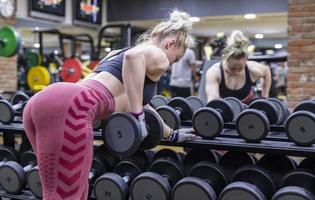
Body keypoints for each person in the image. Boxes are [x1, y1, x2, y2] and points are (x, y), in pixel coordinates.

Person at [23, 10, 197, 200]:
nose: (171, 65)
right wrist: (137, 116)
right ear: (170, 44)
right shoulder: (157, 55)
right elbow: (133, 57)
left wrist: (171, 134)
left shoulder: (116, 54)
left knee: (62, 192)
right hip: (73, 107)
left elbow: (139, 101)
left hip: (43, 101)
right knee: (67, 195)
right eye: (176, 59)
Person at [205, 30, 271, 104]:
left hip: (247, 110)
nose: (236, 72)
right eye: (232, 68)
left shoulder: (252, 69)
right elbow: (213, 101)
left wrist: (265, 98)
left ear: (246, 61)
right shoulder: (214, 72)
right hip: (225, 109)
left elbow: (267, 71)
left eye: (240, 69)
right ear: (225, 59)